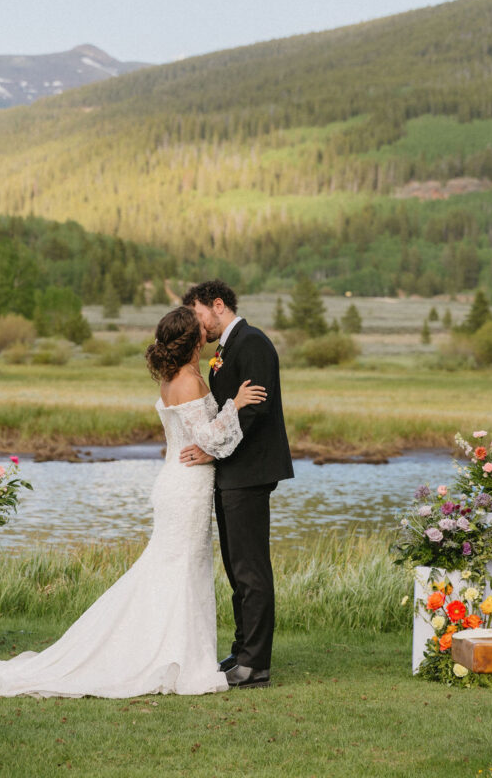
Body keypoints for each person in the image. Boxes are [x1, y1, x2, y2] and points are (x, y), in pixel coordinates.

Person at [0, 305, 266, 699]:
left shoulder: (180, 376)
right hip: (184, 486)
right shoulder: (186, 381)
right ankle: (169, 656)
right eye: (200, 328)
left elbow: (202, 438)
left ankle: (182, 653)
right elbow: (209, 439)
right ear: (192, 339)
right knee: (176, 567)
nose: (206, 330)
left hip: (184, 482)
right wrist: (236, 404)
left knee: (183, 567)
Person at [180, 280, 294, 689]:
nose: (197, 324)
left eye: (197, 314)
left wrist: (213, 451)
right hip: (233, 472)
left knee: (251, 569)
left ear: (217, 305)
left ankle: (256, 664)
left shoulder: (253, 343)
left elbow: (256, 411)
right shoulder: (227, 349)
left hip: (250, 472)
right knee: (235, 567)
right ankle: (242, 648)